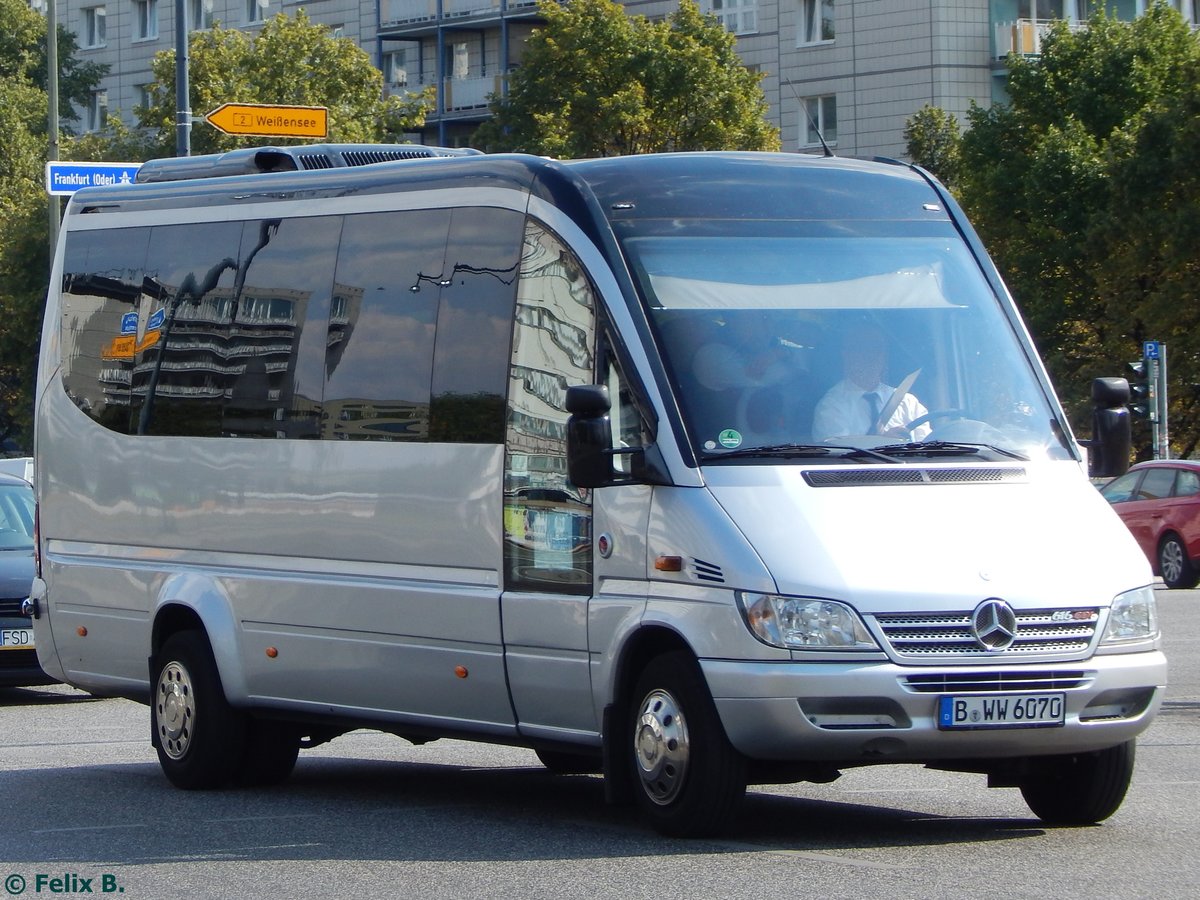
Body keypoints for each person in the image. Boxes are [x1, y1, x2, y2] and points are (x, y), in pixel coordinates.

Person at [812, 323, 931, 441]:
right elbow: (837, 453)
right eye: (861, 348)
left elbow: (928, 447)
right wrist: (884, 441)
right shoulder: (832, 405)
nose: (871, 356)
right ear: (846, 354)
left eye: (876, 348)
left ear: (885, 355)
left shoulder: (908, 402)